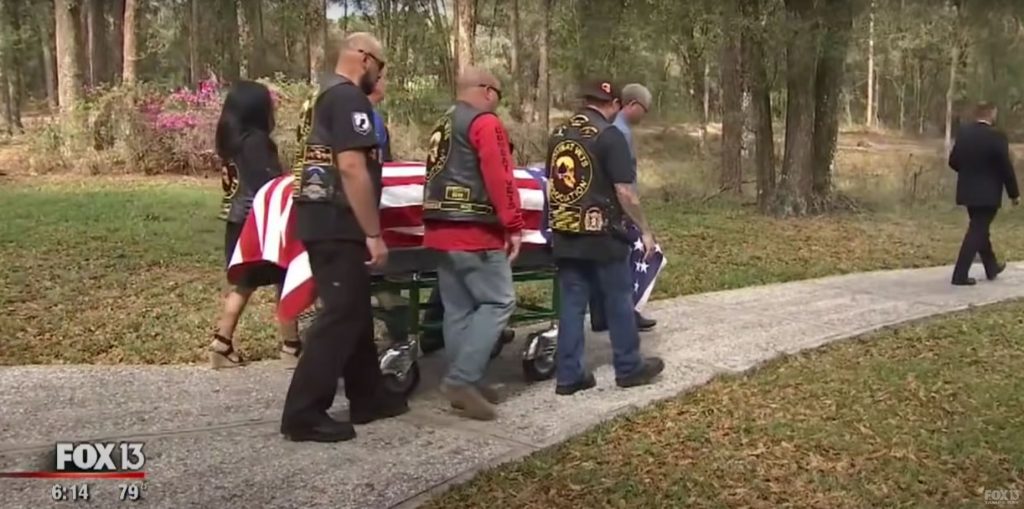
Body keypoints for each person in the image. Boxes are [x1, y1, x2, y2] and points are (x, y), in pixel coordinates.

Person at [282, 32, 408, 443]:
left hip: (326, 218)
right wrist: (373, 232)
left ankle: (368, 395)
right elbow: (352, 168)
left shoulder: (325, 97)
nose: (380, 76)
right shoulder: (348, 99)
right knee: (339, 315)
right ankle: (303, 412)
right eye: (382, 67)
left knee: (354, 310)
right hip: (338, 221)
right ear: (365, 59)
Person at [547, 79, 664, 396]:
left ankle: (569, 375)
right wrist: (644, 229)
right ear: (613, 104)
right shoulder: (609, 135)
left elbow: (553, 183)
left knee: (571, 305)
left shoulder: (558, 135)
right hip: (602, 234)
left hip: (566, 231)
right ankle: (628, 366)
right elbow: (625, 192)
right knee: (618, 299)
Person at [422, 67, 524, 420]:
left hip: (439, 229)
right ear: (488, 91)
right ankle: (461, 380)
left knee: (459, 309)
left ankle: (466, 382)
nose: (497, 103)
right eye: (498, 95)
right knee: (499, 301)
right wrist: (514, 224)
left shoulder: (443, 125)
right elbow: (501, 175)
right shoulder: (485, 123)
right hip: (474, 230)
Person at [210, 80, 301, 369]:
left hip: (236, 222)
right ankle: (291, 347)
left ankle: (222, 343)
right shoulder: (256, 142)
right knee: (285, 276)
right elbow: (270, 184)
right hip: (260, 223)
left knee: (244, 284)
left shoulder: (232, 142)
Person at [589, 83, 657, 333]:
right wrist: (635, 217)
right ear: (633, 105)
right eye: (644, 110)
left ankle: (600, 314)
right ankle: (626, 313)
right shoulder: (619, 131)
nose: (644, 116)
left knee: (600, 264)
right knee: (624, 259)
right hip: (617, 205)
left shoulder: (607, 127)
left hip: (602, 206)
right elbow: (622, 180)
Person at [948, 101, 1020, 286]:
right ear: (991, 114)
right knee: (977, 230)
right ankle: (960, 274)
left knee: (980, 229)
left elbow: (953, 161)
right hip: (988, 193)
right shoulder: (997, 137)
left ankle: (991, 266)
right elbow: (1006, 167)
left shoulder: (964, 133)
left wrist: (969, 173)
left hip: (967, 191)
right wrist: (1014, 194)